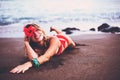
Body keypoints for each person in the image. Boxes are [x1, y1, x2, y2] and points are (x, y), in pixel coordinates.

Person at [10, 23, 76, 73]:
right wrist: (26, 43)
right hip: (50, 39)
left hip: (63, 40)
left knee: (72, 45)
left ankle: (55, 29)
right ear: (28, 37)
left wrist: (28, 64)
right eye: (31, 33)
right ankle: (54, 30)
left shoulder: (54, 40)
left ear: (41, 30)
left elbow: (46, 57)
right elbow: (34, 59)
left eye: (37, 30)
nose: (36, 34)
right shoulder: (33, 46)